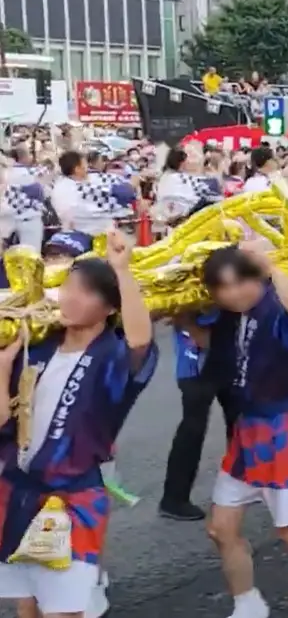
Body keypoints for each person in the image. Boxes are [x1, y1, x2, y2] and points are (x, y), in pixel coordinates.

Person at [0, 231, 157, 618]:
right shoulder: (37, 345)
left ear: (108, 308)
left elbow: (140, 342)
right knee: (29, 604)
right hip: (18, 491)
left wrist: (122, 271)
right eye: (68, 287)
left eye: (85, 292)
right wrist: (3, 367)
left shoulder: (111, 357)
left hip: (73, 499)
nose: (71, 297)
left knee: (64, 611)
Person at [176, 244, 288, 618]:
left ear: (256, 277)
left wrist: (272, 265)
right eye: (222, 287)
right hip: (246, 429)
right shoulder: (230, 316)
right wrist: (187, 324)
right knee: (221, 528)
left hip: (284, 429)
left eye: (241, 282)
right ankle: (247, 604)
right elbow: (228, 353)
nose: (234, 293)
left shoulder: (278, 304)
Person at [158, 307, 234, 521]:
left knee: (238, 422)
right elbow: (205, 340)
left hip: (226, 363)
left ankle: (242, 484)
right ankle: (174, 499)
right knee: (193, 427)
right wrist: (186, 321)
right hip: (196, 368)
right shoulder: (190, 293)